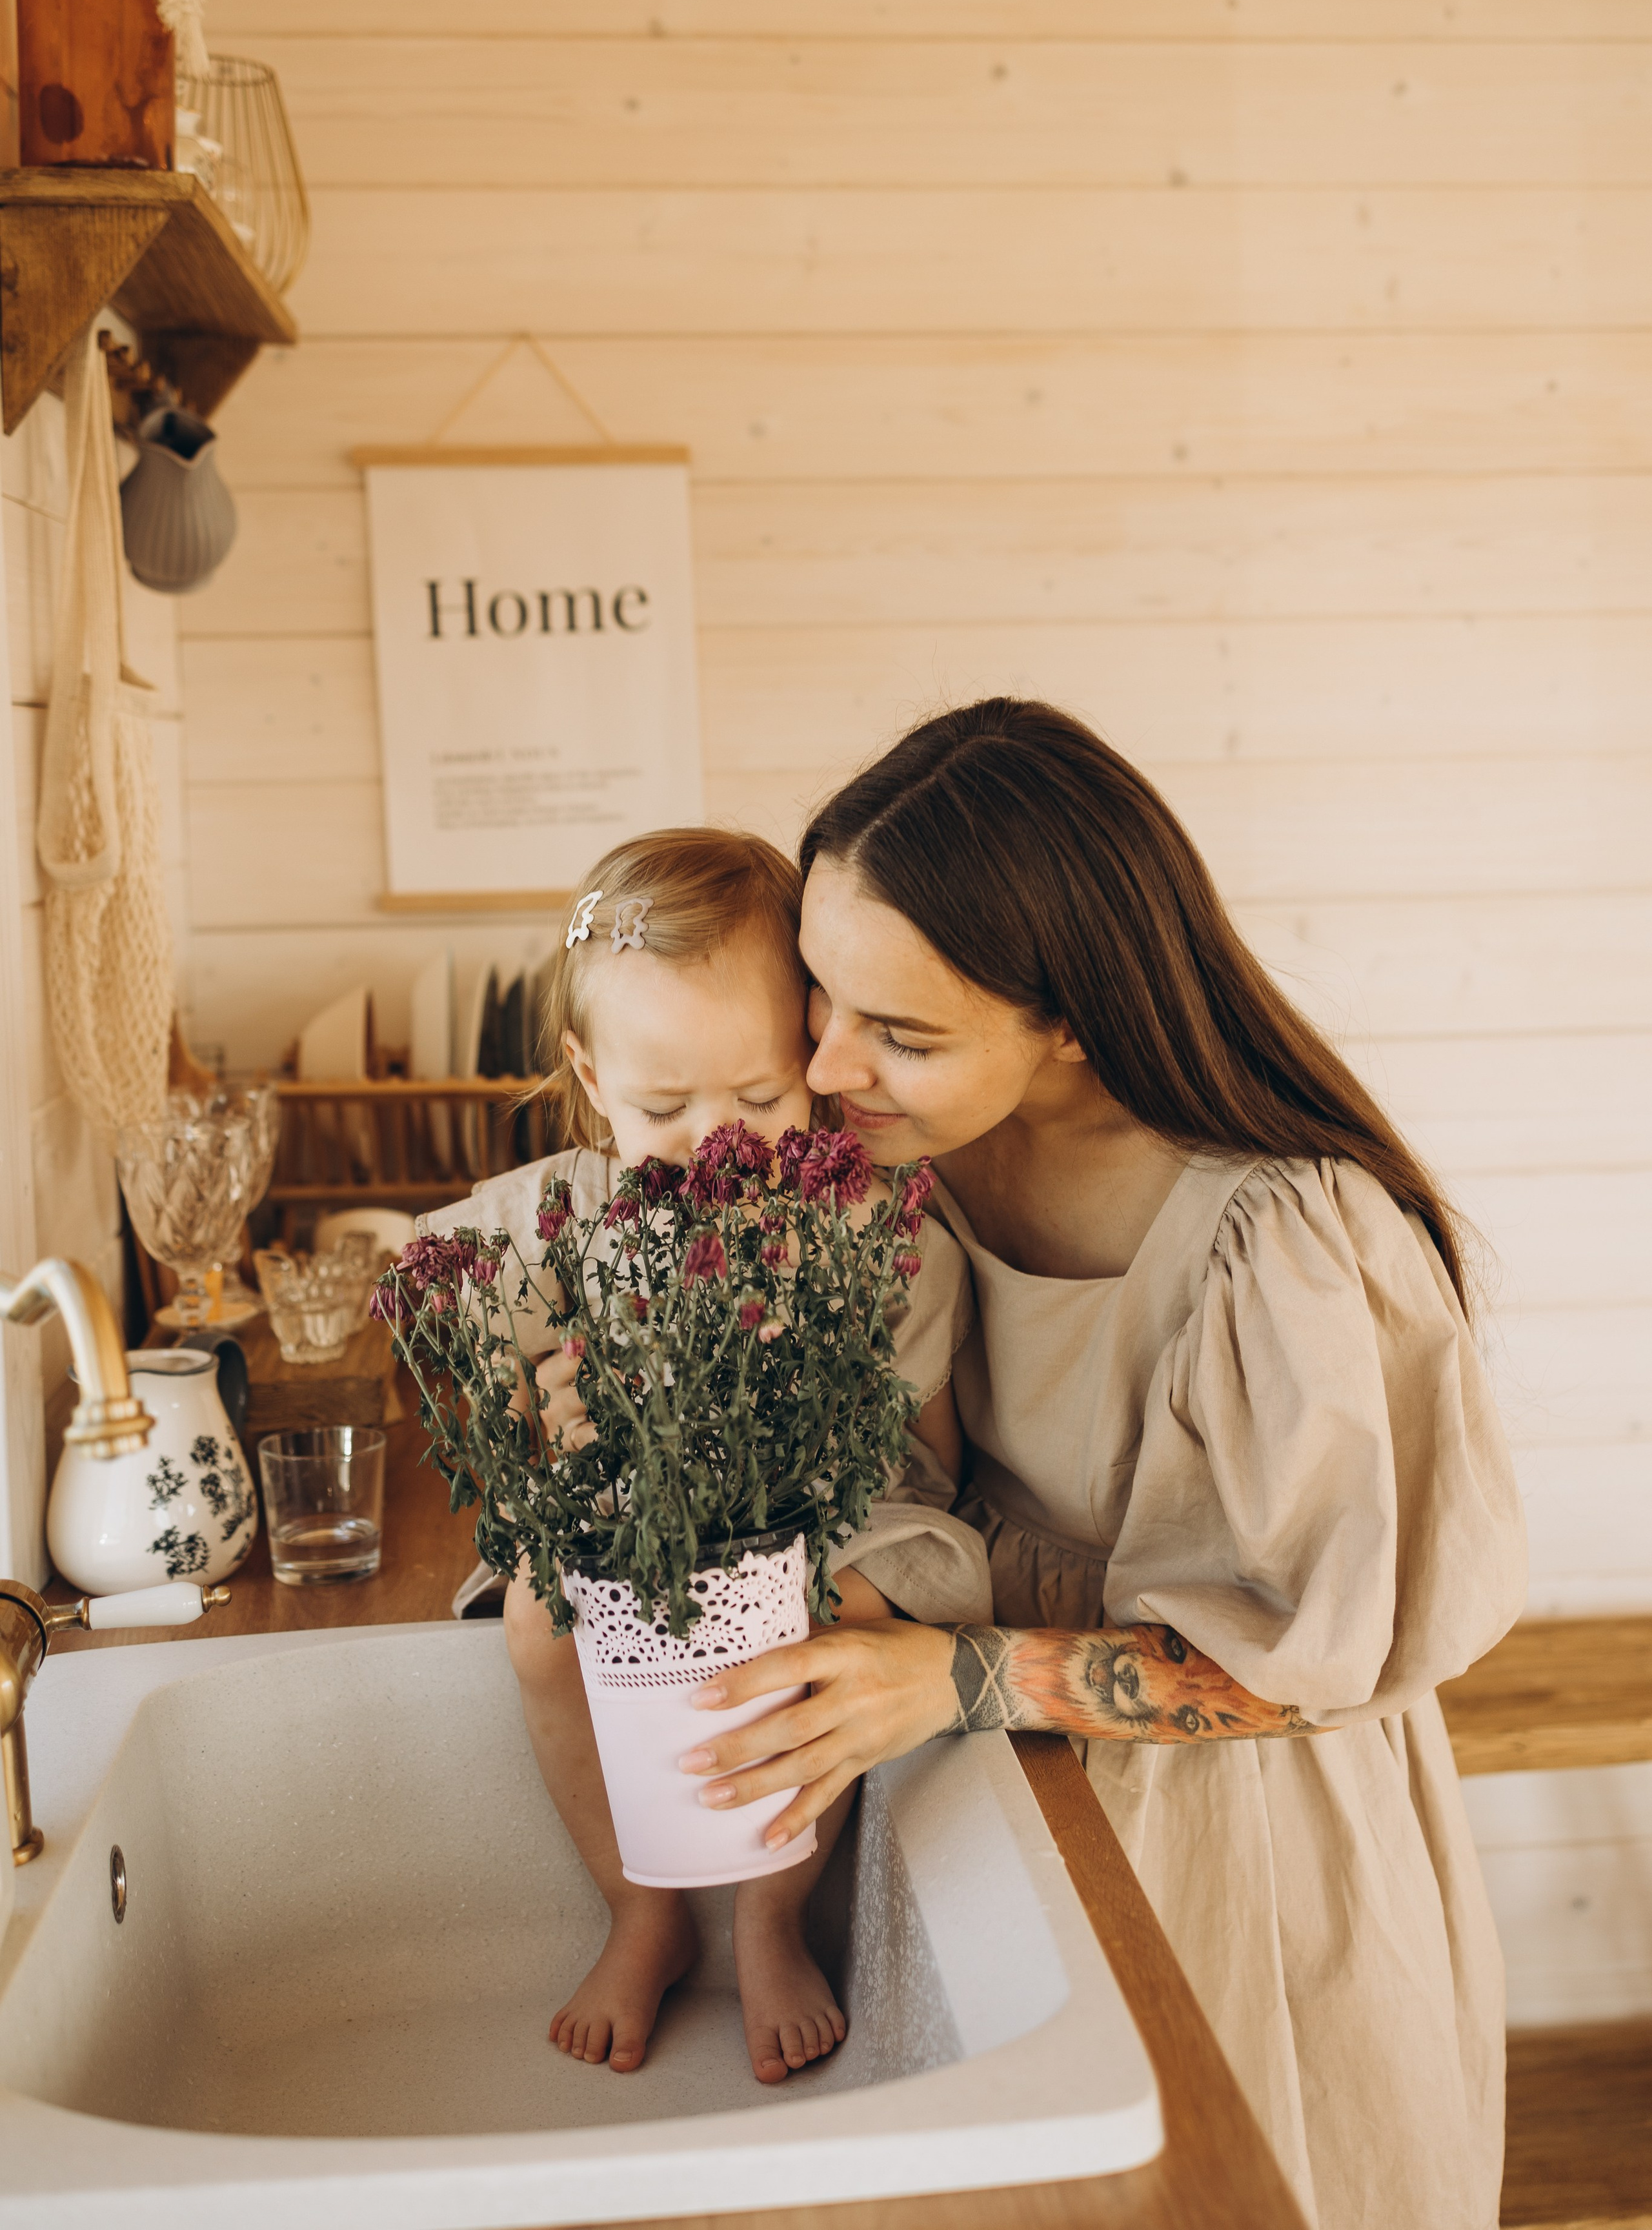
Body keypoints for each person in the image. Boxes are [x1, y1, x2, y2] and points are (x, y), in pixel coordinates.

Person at [665, 701, 1526, 2230]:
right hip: (972, 1779)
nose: (830, 1060)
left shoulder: (1286, 1238)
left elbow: (1317, 1665)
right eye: (821, 994)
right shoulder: (898, 1163)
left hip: (1242, 1845)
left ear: (1069, 1019)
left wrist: (960, 1676)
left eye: (902, 1034)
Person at [421, 827, 987, 2087]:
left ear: (815, 1058)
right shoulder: (570, 1215)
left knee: (810, 1623)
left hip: (836, 1523)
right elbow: (446, 1322)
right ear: (591, 1078)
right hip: (633, 1522)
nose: (712, 1142)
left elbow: (930, 1459)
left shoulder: (869, 1229)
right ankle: (641, 1909)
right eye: (661, 1108)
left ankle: (771, 1916)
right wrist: (548, 1421)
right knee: (536, 1621)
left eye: (760, 1099)